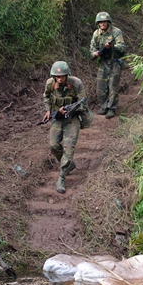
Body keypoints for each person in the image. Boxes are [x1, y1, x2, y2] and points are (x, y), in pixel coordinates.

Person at [42, 61, 88, 194]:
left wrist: (70, 109)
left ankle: (61, 177)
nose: (60, 79)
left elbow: (83, 103)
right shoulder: (50, 83)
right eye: (57, 77)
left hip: (72, 119)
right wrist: (48, 110)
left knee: (68, 148)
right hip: (58, 118)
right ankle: (69, 164)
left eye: (62, 76)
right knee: (53, 145)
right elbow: (46, 96)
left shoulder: (76, 84)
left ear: (67, 75)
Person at [89, 11, 126, 118]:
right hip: (103, 62)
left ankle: (112, 108)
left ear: (108, 22)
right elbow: (92, 48)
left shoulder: (116, 32)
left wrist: (112, 46)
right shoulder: (96, 34)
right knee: (100, 87)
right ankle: (104, 106)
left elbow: (122, 47)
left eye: (104, 21)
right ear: (98, 23)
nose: (102, 24)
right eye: (100, 22)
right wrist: (95, 53)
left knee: (113, 86)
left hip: (114, 62)